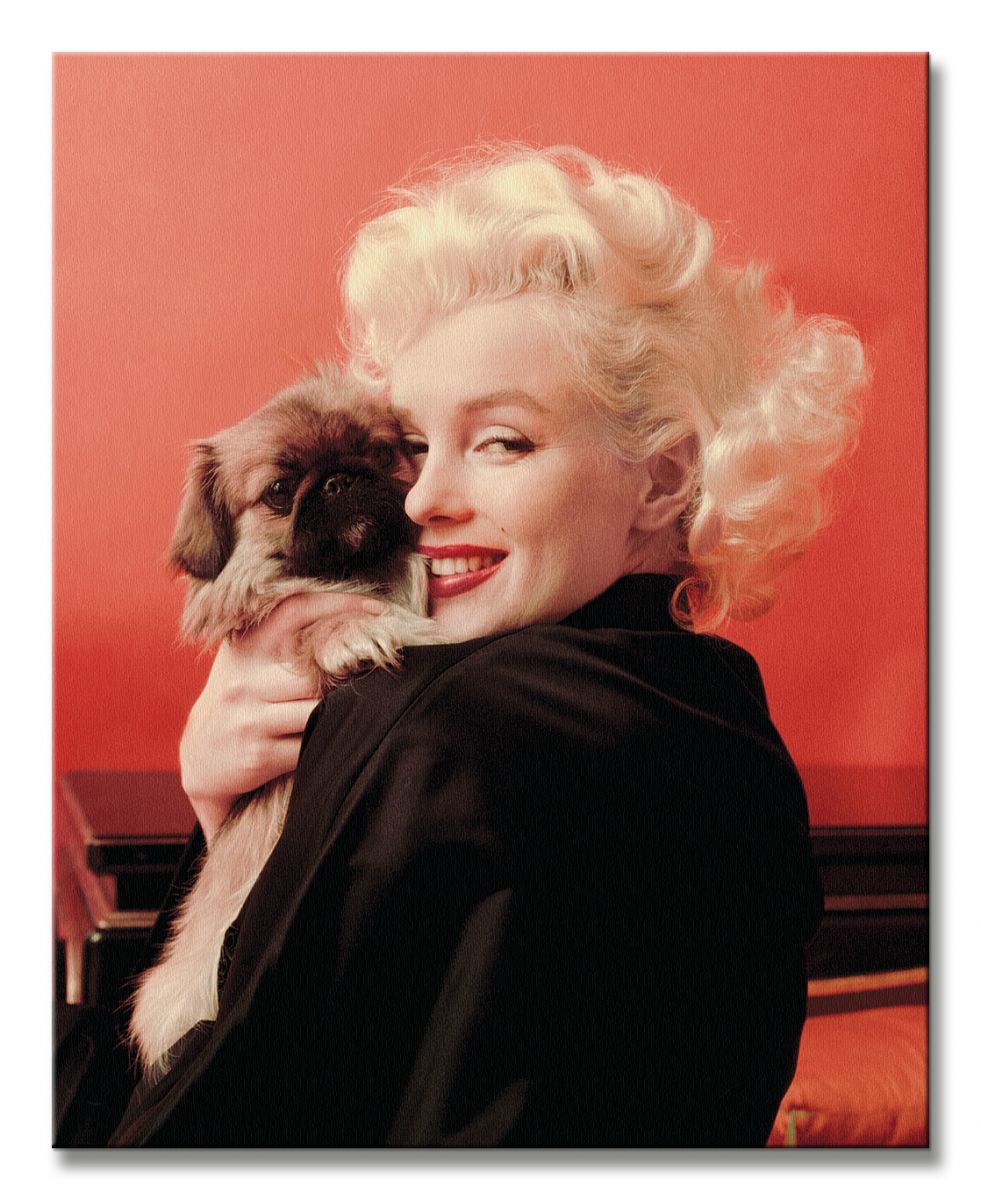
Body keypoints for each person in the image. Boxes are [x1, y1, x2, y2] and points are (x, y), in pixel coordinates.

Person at [108, 145, 865, 1147]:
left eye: (503, 441)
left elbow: (210, 1115)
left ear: (664, 478)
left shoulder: (436, 725)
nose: (423, 498)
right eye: (416, 446)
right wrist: (232, 808)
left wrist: (270, 788)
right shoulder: (723, 712)